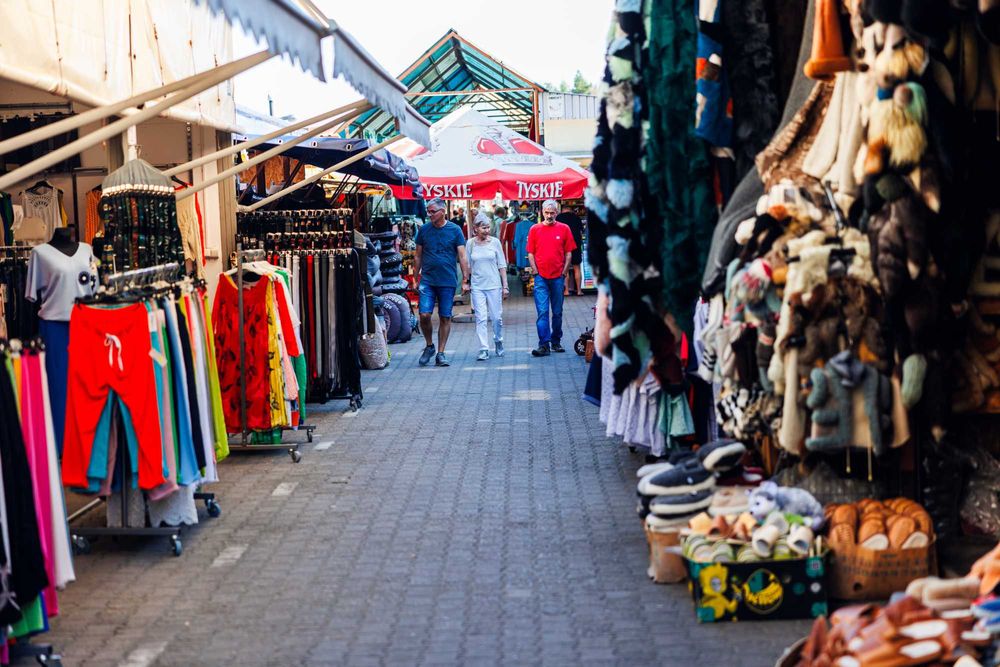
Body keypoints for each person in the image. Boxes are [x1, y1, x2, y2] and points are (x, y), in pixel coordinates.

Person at [414, 198, 470, 367]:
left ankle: (441, 353)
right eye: (428, 211)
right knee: (424, 315)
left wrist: (466, 279)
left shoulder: (455, 230)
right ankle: (429, 345)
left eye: (432, 211)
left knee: (445, 316)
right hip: (428, 280)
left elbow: (462, 255)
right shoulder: (423, 230)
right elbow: (418, 255)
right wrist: (415, 277)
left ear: (443, 211)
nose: (429, 214)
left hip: (447, 280)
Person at [527, 199, 577, 356]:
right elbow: (530, 253)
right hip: (541, 276)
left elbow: (569, 252)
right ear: (542, 212)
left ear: (557, 212)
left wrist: (564, 272)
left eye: (552, 212)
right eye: (547, 213)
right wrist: (535, 271)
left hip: (557, 276)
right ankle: (544, 344)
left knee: (557, 311)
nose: (549, 215)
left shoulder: (564, 229)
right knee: (542, 312)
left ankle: (556, 341)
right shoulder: (535, 229)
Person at [466, 218, 509, 361]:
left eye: (488, 227)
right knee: (481, 318)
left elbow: (502, 264)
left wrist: (505, 286)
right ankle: (483, 348)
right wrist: (466, 281)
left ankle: (498, 340)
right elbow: (467, 265)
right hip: (477, 286)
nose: (486, 230)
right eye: (483, 227)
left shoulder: (495, 242)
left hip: (494, 285)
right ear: (476, 228)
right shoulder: (470, 244)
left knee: (496, 318)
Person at [556, 206, 584, 296]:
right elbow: (580, 232)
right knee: (577, 267)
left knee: (566, 268)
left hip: (564, 245)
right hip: (576, 245)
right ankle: (579, 291)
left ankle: (566, 291)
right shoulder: (576, 217)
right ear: (570, 210)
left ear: (562, 210)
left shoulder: (559, 217)